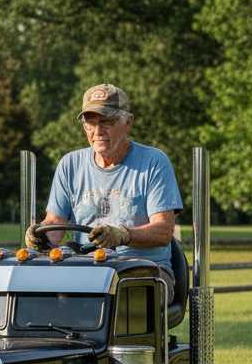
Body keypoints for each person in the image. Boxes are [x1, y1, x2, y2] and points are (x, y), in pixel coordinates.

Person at [25, 84, 183, 302]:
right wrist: (39, 235)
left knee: (112, 301)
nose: (97, 131)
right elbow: (55, 223)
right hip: (87, 270)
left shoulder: (154, 162)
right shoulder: (70, 164)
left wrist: (123, 235)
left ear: (128, 123)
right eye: (90, 122)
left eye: (106, 121)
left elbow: (163, 231)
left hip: (145, 272)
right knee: (36, 297)